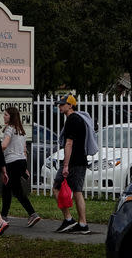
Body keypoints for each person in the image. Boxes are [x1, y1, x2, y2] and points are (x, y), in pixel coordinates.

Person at [53, 94, 91, 234]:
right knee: (77, 192)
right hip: (81, 160)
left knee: (56, 187)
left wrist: (66, 165)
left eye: (63, 104)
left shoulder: (71, 120)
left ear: (70, 105)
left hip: (73, 162)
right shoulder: (79, 119)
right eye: (60, 104)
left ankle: (69, 219)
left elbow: (69, 143)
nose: (60, 106)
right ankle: (82, 224)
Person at [0, 107, 41, 227]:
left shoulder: (9, 129)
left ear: (11, 116)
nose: (4, 116)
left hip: (12, 162)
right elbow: (24, 151)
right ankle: (3, 216)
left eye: (6, 115)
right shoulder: (20, 131)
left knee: (14, 190)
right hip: (21, 162)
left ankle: (32, 214)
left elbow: (4, 145)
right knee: (8, 189)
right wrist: (25, 168)